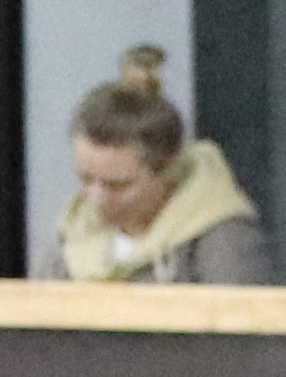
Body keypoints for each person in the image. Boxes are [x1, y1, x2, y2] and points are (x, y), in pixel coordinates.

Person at [38, 47, 271, 285]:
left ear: (168, 174)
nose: (95, 198)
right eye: (85, 180)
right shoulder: (73, 232)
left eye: (117, 185)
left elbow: (240, 317)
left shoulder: (223, 241)